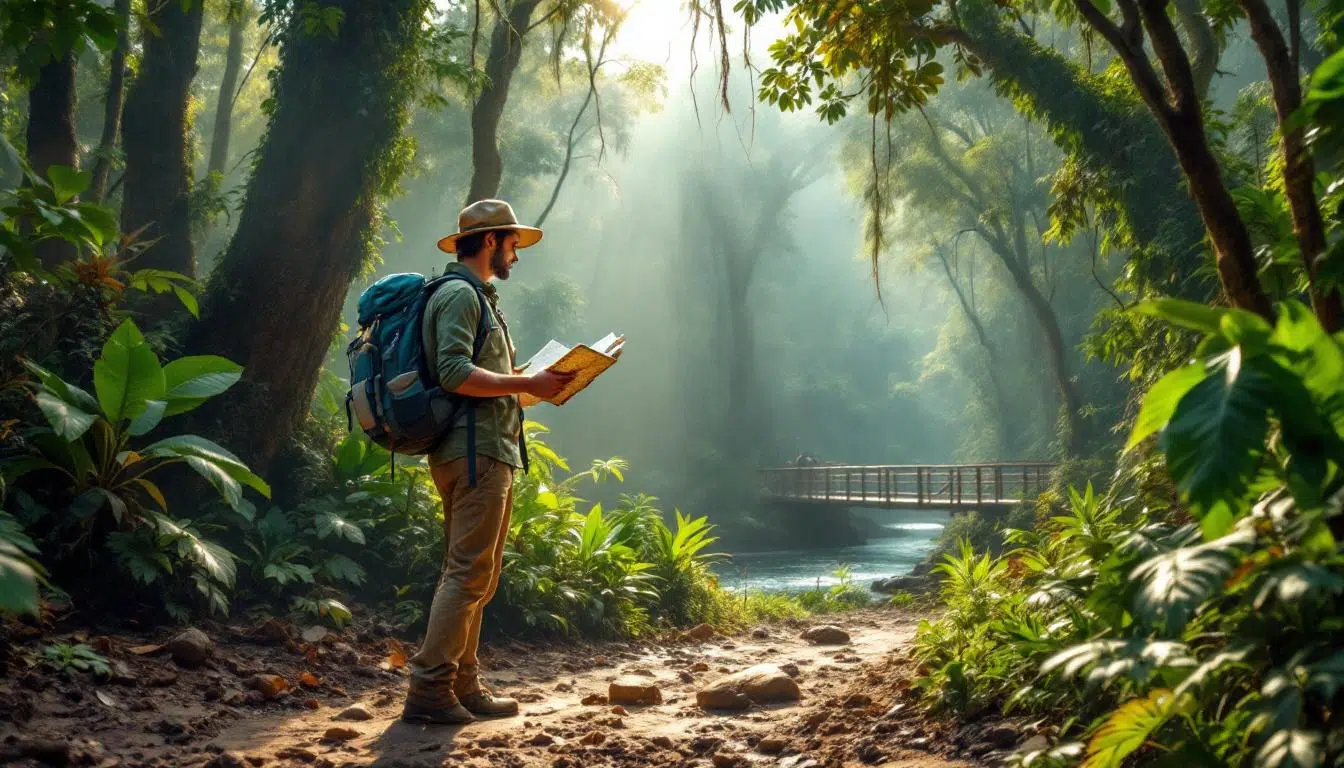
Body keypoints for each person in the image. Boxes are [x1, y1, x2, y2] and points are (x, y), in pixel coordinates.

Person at [401, 199, 574, 725]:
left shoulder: (473, 296)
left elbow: (483, 384)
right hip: (474, 453)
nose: (516, 255)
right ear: (492, 240)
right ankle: (430, 689)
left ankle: (463, 682)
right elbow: (454, 373)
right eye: (513, 244)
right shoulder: (459, 295)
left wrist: (539, 385)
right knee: (467, 574)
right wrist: (527, 381)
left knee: (479, 574)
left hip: (482, 448)